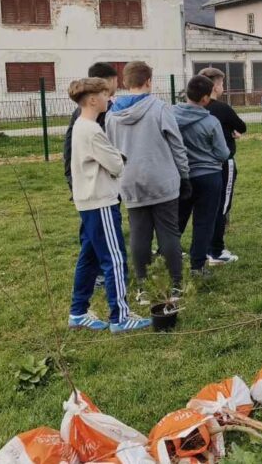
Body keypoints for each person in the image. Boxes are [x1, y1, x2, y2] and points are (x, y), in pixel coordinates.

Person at [66, 78, 150, 334]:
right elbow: (116, 164)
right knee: (114, 259)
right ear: (92, 99)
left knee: (89, 257)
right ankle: (120, 317)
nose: (109, 99)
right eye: (105, 95)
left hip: (87, 200)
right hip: (100, 200)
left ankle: (78, 312)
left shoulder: (81, 125)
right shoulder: (91, 130)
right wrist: (117, 158)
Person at [105, 61, 190, 304]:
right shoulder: (160, 109)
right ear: (149, 82)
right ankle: (175, 286)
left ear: (124, 82)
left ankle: (143, 288)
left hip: (130, 182)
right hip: (163, 180)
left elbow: (111, 151)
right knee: (169, 234)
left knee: (139, 235)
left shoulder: (111, 116)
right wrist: (185, 176)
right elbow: (177, 145)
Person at [173, 76, 231, 277]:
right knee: (204, 222)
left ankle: (168, 260)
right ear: (206, 98)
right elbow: (223, 153)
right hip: (208, 176)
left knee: (177, 220)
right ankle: (197, 266)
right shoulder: (210, 121)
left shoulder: (171, 115)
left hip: (181, 176)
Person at [199, 67, 245, 265]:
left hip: (199, 165)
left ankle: (202, 247)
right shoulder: (221, 108)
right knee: (221, 206)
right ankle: (216, 250)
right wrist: (231, 130)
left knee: (204, 207)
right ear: (215, 85)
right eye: (222, 83)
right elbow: (242, 126)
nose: (223, 87)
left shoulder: (191, 107)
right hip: (222, 163)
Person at [63, 62, 119, 192]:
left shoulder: (79, 112)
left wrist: (70, 177)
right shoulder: (111, 110)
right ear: (109, 82)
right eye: (117, 81)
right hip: (102, 184)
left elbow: (68, 147)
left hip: (87, 184)